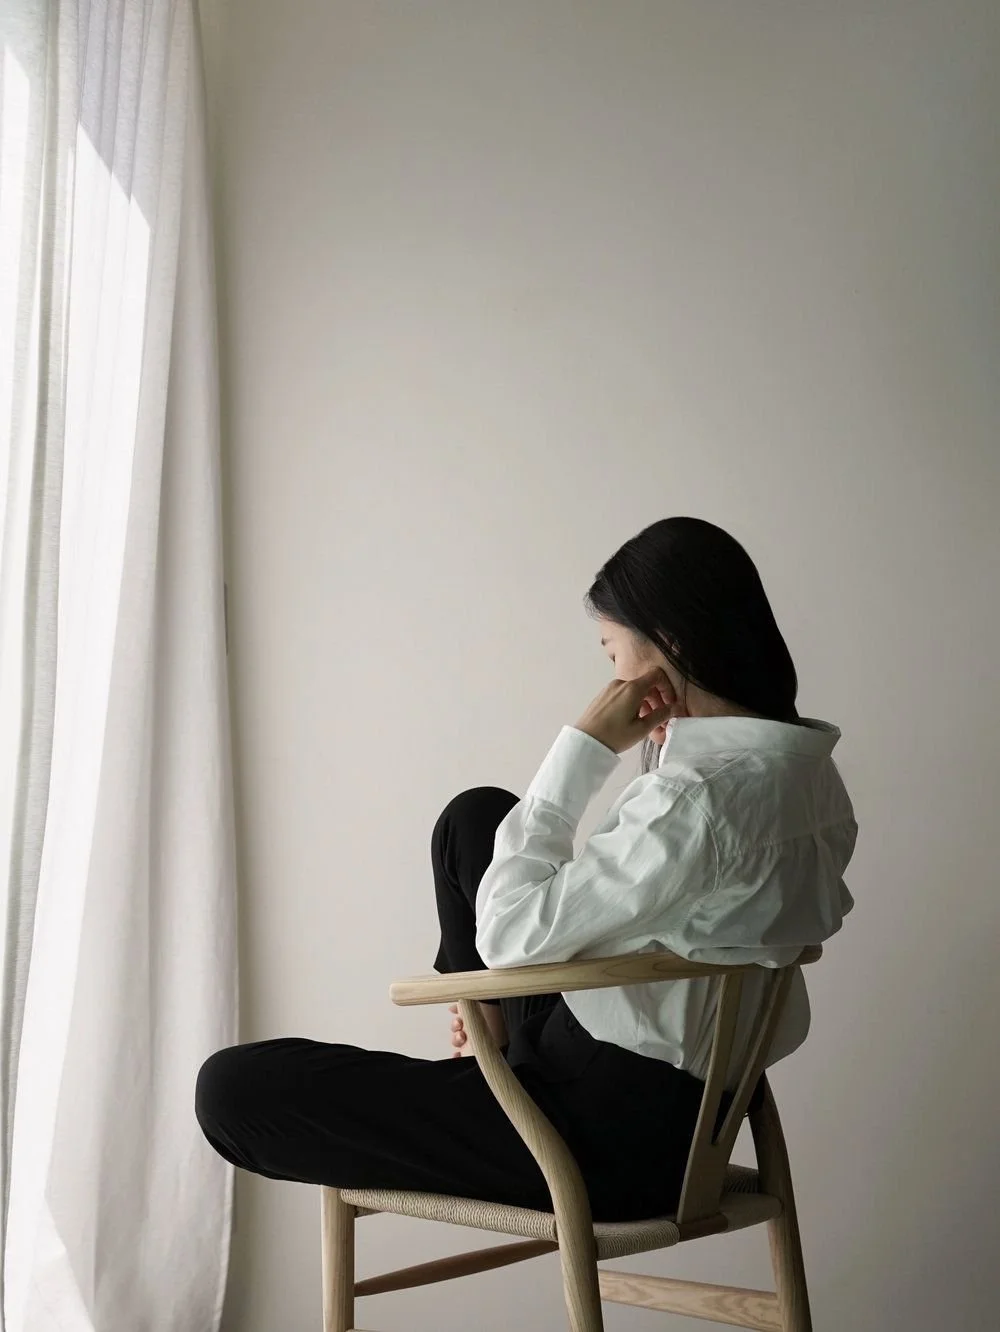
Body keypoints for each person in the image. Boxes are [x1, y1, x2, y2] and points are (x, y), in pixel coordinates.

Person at [195, 516, 857, 1222]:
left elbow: (506, 937)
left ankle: (489, 1067)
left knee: (232, 1090)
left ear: (669, 646)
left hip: (595, 1139)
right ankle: (489, 1037)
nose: (614, 682)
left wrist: (586, 747)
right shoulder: (806, 773)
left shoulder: (695, 800)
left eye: (613, 656)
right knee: (475, 819)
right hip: (673, 1098)